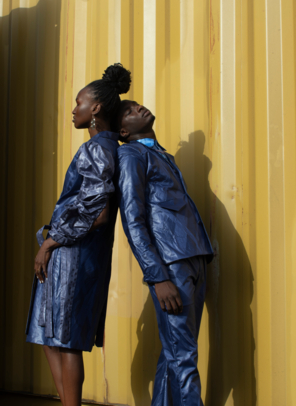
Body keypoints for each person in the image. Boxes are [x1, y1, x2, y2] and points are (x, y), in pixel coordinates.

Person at [26, 64, 131, 406]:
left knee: (65, 338)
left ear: (96, 108)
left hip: (74, 253)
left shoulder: (99, 148)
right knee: (49, 334)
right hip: (72, 251)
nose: (74, 109)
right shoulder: (105, 147)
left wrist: (50, 243)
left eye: (79, 102)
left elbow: (99, 214)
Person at [115, 100, 214, 406]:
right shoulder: (131, 155)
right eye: (130, 110)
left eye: (137, 105)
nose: (139, 108)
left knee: (175, 355)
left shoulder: (159, 154)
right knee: (183, 356)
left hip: (193, 259)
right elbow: (133, 220)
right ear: (123, 130)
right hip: (171, 267)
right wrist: (157, 277)